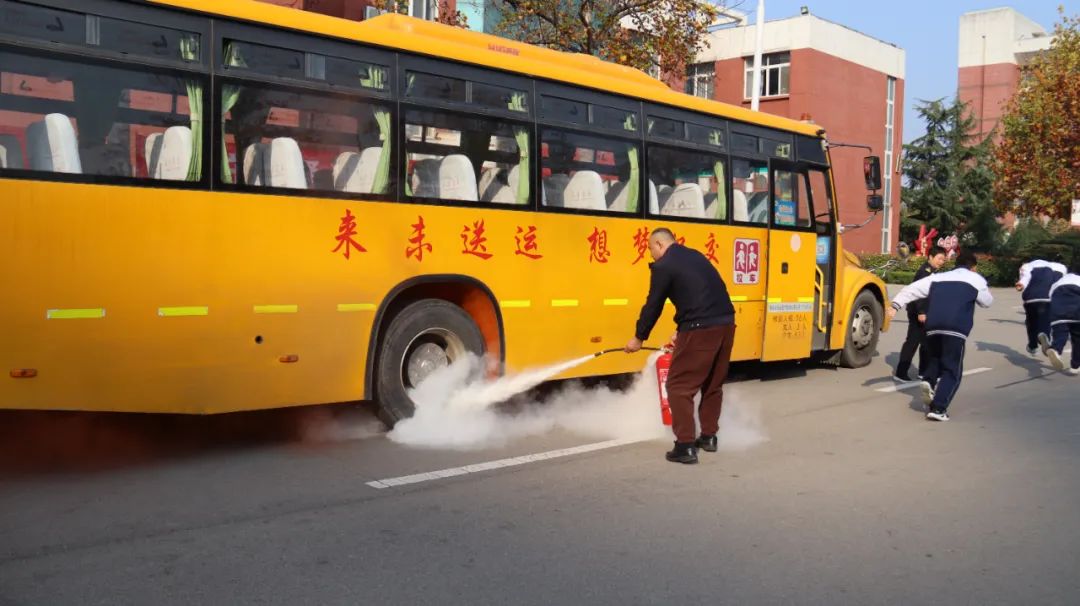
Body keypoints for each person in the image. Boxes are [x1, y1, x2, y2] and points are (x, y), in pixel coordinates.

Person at [625, 228, 736, 464]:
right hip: (726, 324)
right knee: (712, 384)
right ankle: (708, 437)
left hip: (701, 328)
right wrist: (681, 327)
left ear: (659, 244)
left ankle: (685, 445)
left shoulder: (665, 266)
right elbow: (706, 292)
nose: (651, 254)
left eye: (650, 249)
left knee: (677, 386)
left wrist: (638, 338)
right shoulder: (694, 256)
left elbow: (653, 305)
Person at [887, 250, 993, 422]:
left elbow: (911, 290)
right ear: (973, 267)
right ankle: (938, 409)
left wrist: (895, 306)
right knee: (952, 371)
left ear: (956, 264)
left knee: (935, 358)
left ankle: (928, 380)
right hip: (955, 327)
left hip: (933, 325)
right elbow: (987, 302)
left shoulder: (938, 277)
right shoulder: (975, 279)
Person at [893, 246, 948, 382]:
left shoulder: (933, 271)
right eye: (939, 258)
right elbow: (918, 294)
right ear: (930, 257)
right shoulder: (925, 272)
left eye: (943, 259)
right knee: (912, 342)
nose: (941, 262)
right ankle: (900, 373)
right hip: (918, 312)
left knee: (927, 343)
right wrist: (921, 312)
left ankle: (924, 372)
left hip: (926, 312)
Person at [1016, 255, 1067, 355]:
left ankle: (1033, 346)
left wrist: (1020, 284)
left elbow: (1025, 278)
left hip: (1030, 299)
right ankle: (1044, 335)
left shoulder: (1027, 266)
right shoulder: (1053, 268)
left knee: (1031, 322)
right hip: (1047, 298)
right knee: (1045, 320)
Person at [1041, 258, 1080, 375]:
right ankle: (1075, 366)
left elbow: (1050, 297)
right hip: (1077, 311)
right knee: (1078, 339)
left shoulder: (1059, 281)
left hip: (1058, 311)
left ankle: (1056, 349)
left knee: (1060, 333)